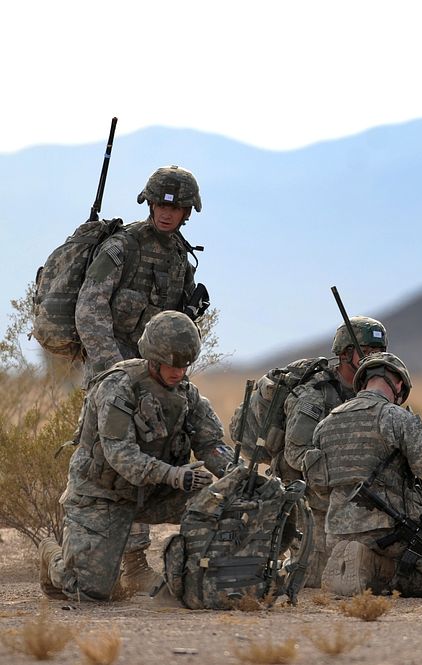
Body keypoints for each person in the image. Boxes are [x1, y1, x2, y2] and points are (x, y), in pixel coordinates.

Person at [38, 311, 233, 601]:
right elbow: (121, 456)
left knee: (219, 505)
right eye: (170, 364)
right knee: (88, 591)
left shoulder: (186, 395)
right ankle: (51, 554)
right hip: (102, 495)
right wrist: (176, 475)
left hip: (154, 492)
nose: (177, 372)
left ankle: (199, 576)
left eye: (184, 365)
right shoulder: (118, 387)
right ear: (153, 357)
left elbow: (211, 444)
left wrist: (235, 471)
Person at [74, 166, 207, 587]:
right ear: (148, 203)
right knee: (112, 463)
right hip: (113, 374)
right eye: (161, 204)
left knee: (157, 452)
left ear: (187, 212)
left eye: (177, 206)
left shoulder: (180, 259)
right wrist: (114, 370)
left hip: (158, 376)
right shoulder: (121, 248)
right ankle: (107, 551)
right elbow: (89, 310)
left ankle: (136, 563)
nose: (167, 213)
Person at [308, 352, 422, 597]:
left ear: (363, 381)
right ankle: (375, 570)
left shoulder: (325, 425)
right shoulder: (397, 418)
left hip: (336, 533)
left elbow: (318, 487)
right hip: (390, 534)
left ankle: (348, 563)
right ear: (397, 383)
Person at [276, 316, 388, 587]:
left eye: (378, 352)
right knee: (314, 578)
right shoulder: (316, 394)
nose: (374, 358)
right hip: (315, 495)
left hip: (359, 493)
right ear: (345, 353)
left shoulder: (377, 392)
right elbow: (295, 454)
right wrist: (343, 472)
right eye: (367, 352)